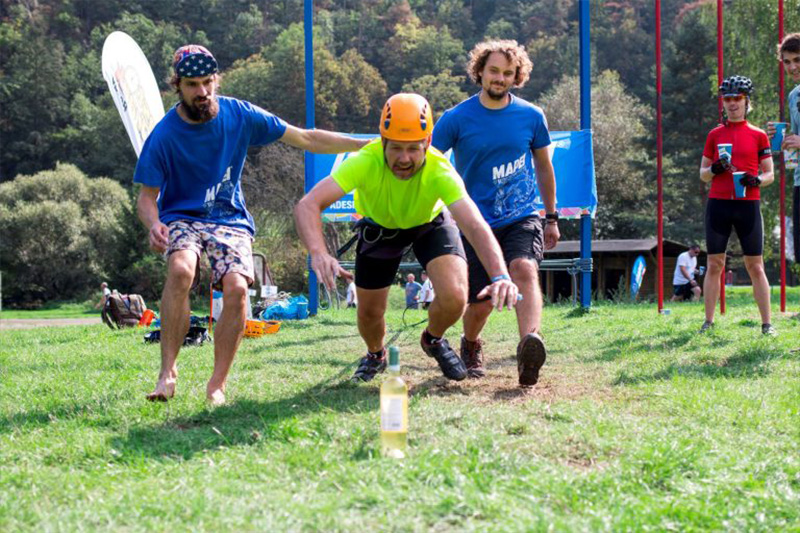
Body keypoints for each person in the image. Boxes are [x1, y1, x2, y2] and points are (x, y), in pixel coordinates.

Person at [134, 44, 367, 405]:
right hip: (182, 215)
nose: (202, 92)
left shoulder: (239, 114)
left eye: (208, 82)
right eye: (193, 85)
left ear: (217, 80)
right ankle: (168, 373)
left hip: (229, 218)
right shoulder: (165, 134)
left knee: (237, 289)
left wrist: (364, 144)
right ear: (177, 86)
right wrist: (153, 224)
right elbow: (147, 197)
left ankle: (217, 385)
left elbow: (304, 137)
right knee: (181, 270)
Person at [294, 93, 519, 383]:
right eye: (396, 149)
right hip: (380, 229)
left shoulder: (440, 170)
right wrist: (318, 251)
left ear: (427, 143)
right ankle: (376, 354)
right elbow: (308, 205)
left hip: (429, 224)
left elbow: (475, 226)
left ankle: (433, 339)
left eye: (413, 149)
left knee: (455, 296)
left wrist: (500, 275)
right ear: (382, 142)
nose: (404, 159)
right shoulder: (366, 160)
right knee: (369, 313)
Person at [431, 39, 559, 386]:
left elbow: (544, 168)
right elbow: (427, 164)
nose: (500, 78)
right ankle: (471, 344)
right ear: (480, 72)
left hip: (522, 215)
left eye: (507, 72)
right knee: (480, 303)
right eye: (494, 71)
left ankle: (528, 347)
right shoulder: (455, 119)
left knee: (524, 269)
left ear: (517, 76)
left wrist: (551, 216)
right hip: (473, 223)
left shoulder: (531, 116)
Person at [699, 75, 775, 335]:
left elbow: (770, 175)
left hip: (748, 205)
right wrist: (714, 168)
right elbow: (703, 174)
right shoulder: (714, 135)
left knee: (755, 266)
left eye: (737, 99)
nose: (732, 104)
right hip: (718, 204)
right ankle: (708, 322)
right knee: (714, 264)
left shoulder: (759, 135)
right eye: (728, 99)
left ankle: (767, 324)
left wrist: (757, 180)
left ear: (746, 101)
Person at [767, 34, 800, 266]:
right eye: (787, 62)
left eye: (797, 60)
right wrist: (782, 141)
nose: (792, 67)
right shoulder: (793, 96)